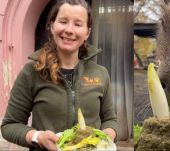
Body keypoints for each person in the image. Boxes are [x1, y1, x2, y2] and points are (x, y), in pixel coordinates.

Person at [1, 0, 117, 150]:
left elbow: (110, 119)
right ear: (51, 25)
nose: (69, 30)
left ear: (87, 32)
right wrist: (38, 137)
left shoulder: (101, 73)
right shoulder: (31, 72)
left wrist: (107, 135)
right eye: (63, 21)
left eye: (78, 24)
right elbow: (10, 125)